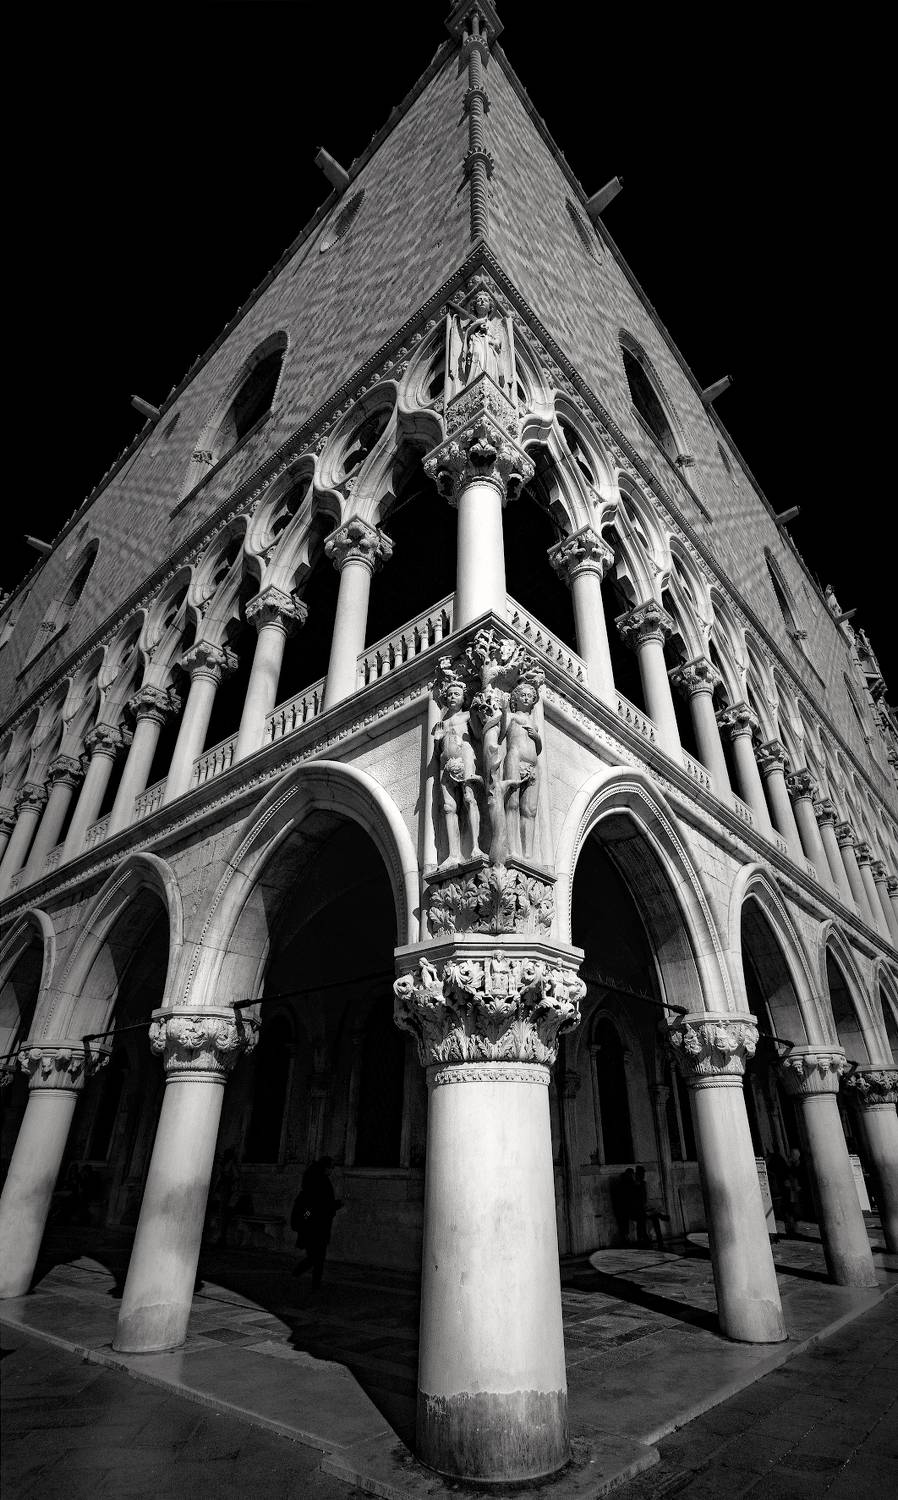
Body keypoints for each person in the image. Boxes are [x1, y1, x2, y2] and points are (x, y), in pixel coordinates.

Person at [290, 1157, 342, 1287]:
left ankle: (313, 1281)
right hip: (317, 1225)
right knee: (316, 1256)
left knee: (316, 1256)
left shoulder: (312, 1179)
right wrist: (335, 1205)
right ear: (325, 1167)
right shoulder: (320, 1182)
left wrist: (307, 1216)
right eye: (331, 1167)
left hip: (314, 1224)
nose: (331, 1170)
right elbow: (317, 1206)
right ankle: (303, 1276)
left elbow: (313, 1207)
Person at [633, 1165, 670, 1249]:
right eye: (641, 1174)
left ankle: (659, 1242)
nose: (643, 1175)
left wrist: (649, 1207)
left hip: (643, 1208)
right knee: (646, 1221)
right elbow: (637, 1200)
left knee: (654, 1218)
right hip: (638, 1210)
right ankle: (661, 1217)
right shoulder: (635, 1185)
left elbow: (645, 1199)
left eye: (643, 1174)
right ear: (638, 1174)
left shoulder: (643, 1184)